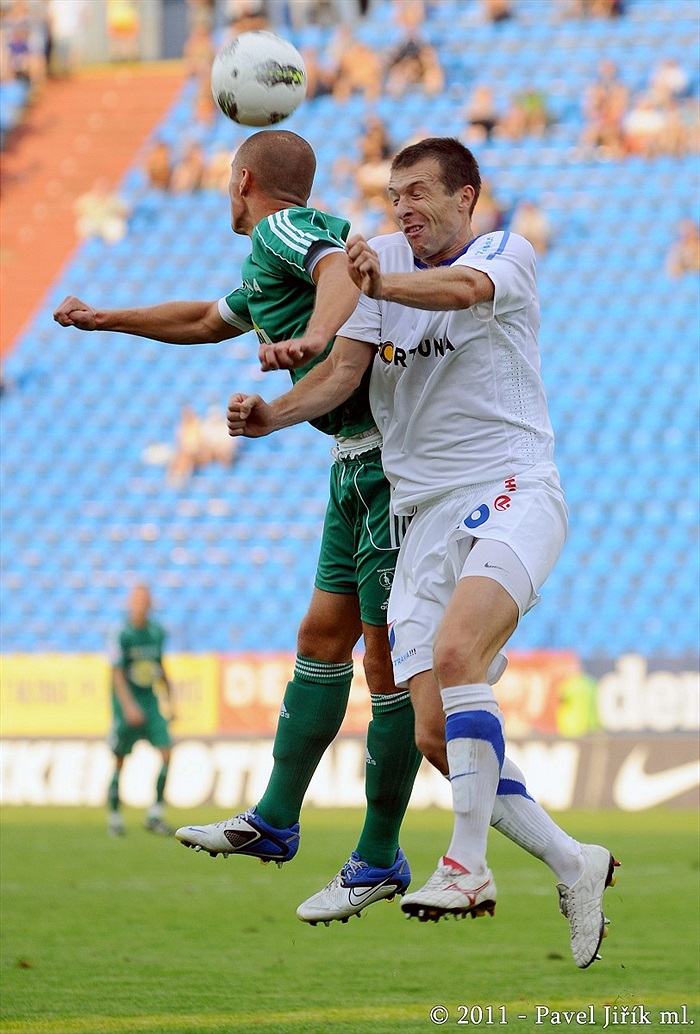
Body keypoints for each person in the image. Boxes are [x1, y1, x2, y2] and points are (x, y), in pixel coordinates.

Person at [225, 136, 619, 968]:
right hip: (421, 515)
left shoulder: (504, 252)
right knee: (437, 733)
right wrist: (274, 415)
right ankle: (571, 860)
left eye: (419, 193)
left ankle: (465, 866)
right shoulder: (382, 262)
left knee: (456, 651)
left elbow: (462, 290)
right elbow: (344, 374)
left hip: (511, 486)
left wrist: (380, 282)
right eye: (394, 194)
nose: (403, 207)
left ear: (465, 197)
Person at [53, 129, 422, 925]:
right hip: (351, 465)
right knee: (321, 639)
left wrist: (318, 338)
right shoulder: (264, 265)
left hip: (389, 464)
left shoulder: (286, 228)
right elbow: (204, 319)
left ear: (244, 180)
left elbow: (336, 273)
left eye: (228, 179)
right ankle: (277, 820)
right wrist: (106, 318)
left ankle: (379, 852)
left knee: (386, 665)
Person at [107, 584, 175, 836]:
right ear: (129, 603)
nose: (141, 605)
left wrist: (170, 700)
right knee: (120, 759)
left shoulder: (156, 632)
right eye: (137, 600)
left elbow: (159, 666)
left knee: (167, 753)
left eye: (145, 600)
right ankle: (115, 816)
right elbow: (116, 672)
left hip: (150, 701)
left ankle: (155, 814)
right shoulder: (121, 633)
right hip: (126, 704)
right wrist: (128, 706)